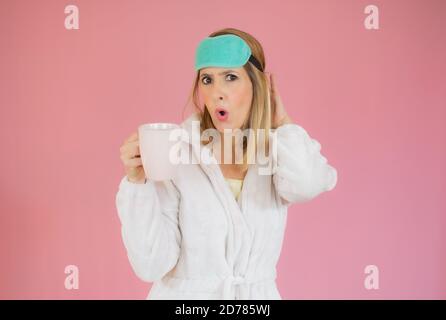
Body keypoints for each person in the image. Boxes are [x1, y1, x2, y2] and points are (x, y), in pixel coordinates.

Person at [115, 28, 338, 299]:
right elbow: (151, 265)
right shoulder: (176, 151)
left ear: (258, 85)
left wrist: (283, 125)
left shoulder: (276, 152)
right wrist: (138, 184)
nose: (217, 92)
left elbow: (306, 185)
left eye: (230, 77)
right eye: (207, 80)